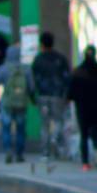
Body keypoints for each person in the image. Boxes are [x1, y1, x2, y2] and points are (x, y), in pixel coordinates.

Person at [0, 45, 35, 164]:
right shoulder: (26, 69)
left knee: (6, 128)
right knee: (20, 129)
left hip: (7, 103)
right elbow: (32, 87)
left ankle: (8, 150)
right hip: (21, 103)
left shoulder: (3, 69)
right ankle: (19, 154)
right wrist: (31, 99)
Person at [31, 31, 71, 159]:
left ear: (41, 44)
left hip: (42, 96)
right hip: (58, 96)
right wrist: (67, 95)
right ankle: (54, 139)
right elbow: (67, 78)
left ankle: (45, 151)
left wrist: (33, 95)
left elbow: (33, 79)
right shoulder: (61, 59)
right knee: (58, 121)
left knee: (44, 124)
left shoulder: (38, 59)